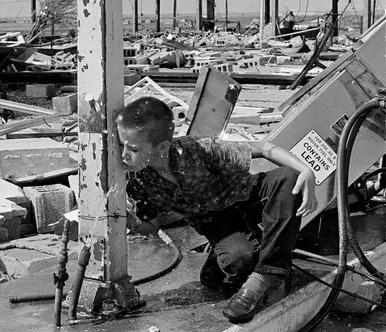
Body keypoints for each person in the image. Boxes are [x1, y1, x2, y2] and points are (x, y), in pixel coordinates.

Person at [117, 96, 316, 324]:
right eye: (121, 144)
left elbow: (264, 148)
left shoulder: (195, 151)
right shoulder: (141, 182)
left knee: (289, 179)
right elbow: (152, 226)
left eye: (132, 148)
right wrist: (127, 219)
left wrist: (306, 170)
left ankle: (266, 274)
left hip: (243, 196)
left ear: (162, 147)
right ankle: (227, 262)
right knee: (241, 261)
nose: (123, 155)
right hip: (216, 220)